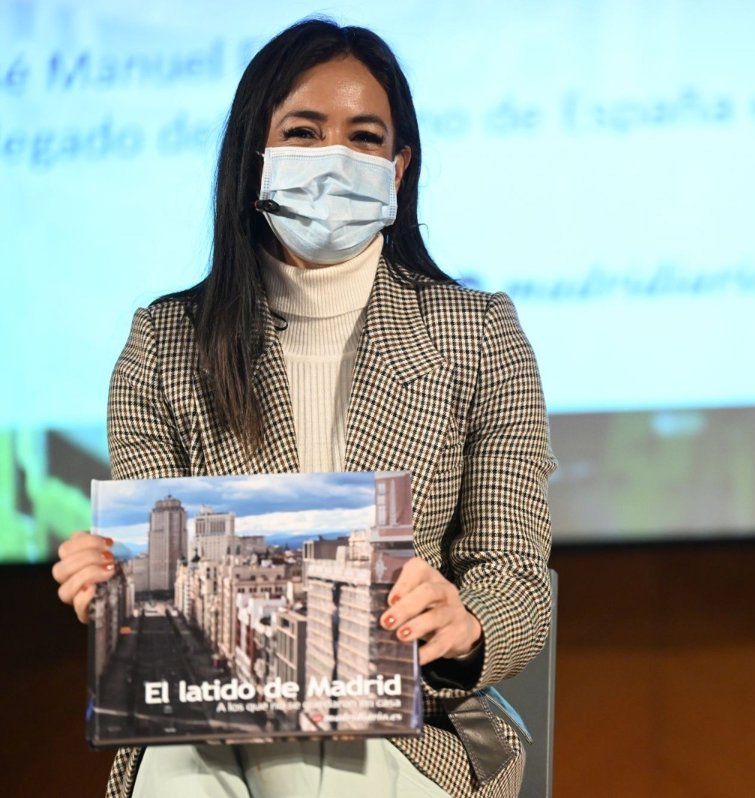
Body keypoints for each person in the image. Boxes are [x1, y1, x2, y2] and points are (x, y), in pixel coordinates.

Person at [49, 18, 553, 798]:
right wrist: (115, 588)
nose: (334, 159)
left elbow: (516, 577)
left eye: (364, 138)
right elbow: (161, 583)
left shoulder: (481, 335)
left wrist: (464, 621)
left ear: (399, 166)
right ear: (256, 153)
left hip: (405, 730)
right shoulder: (163, 343)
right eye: (304, 133)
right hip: (210, 731)